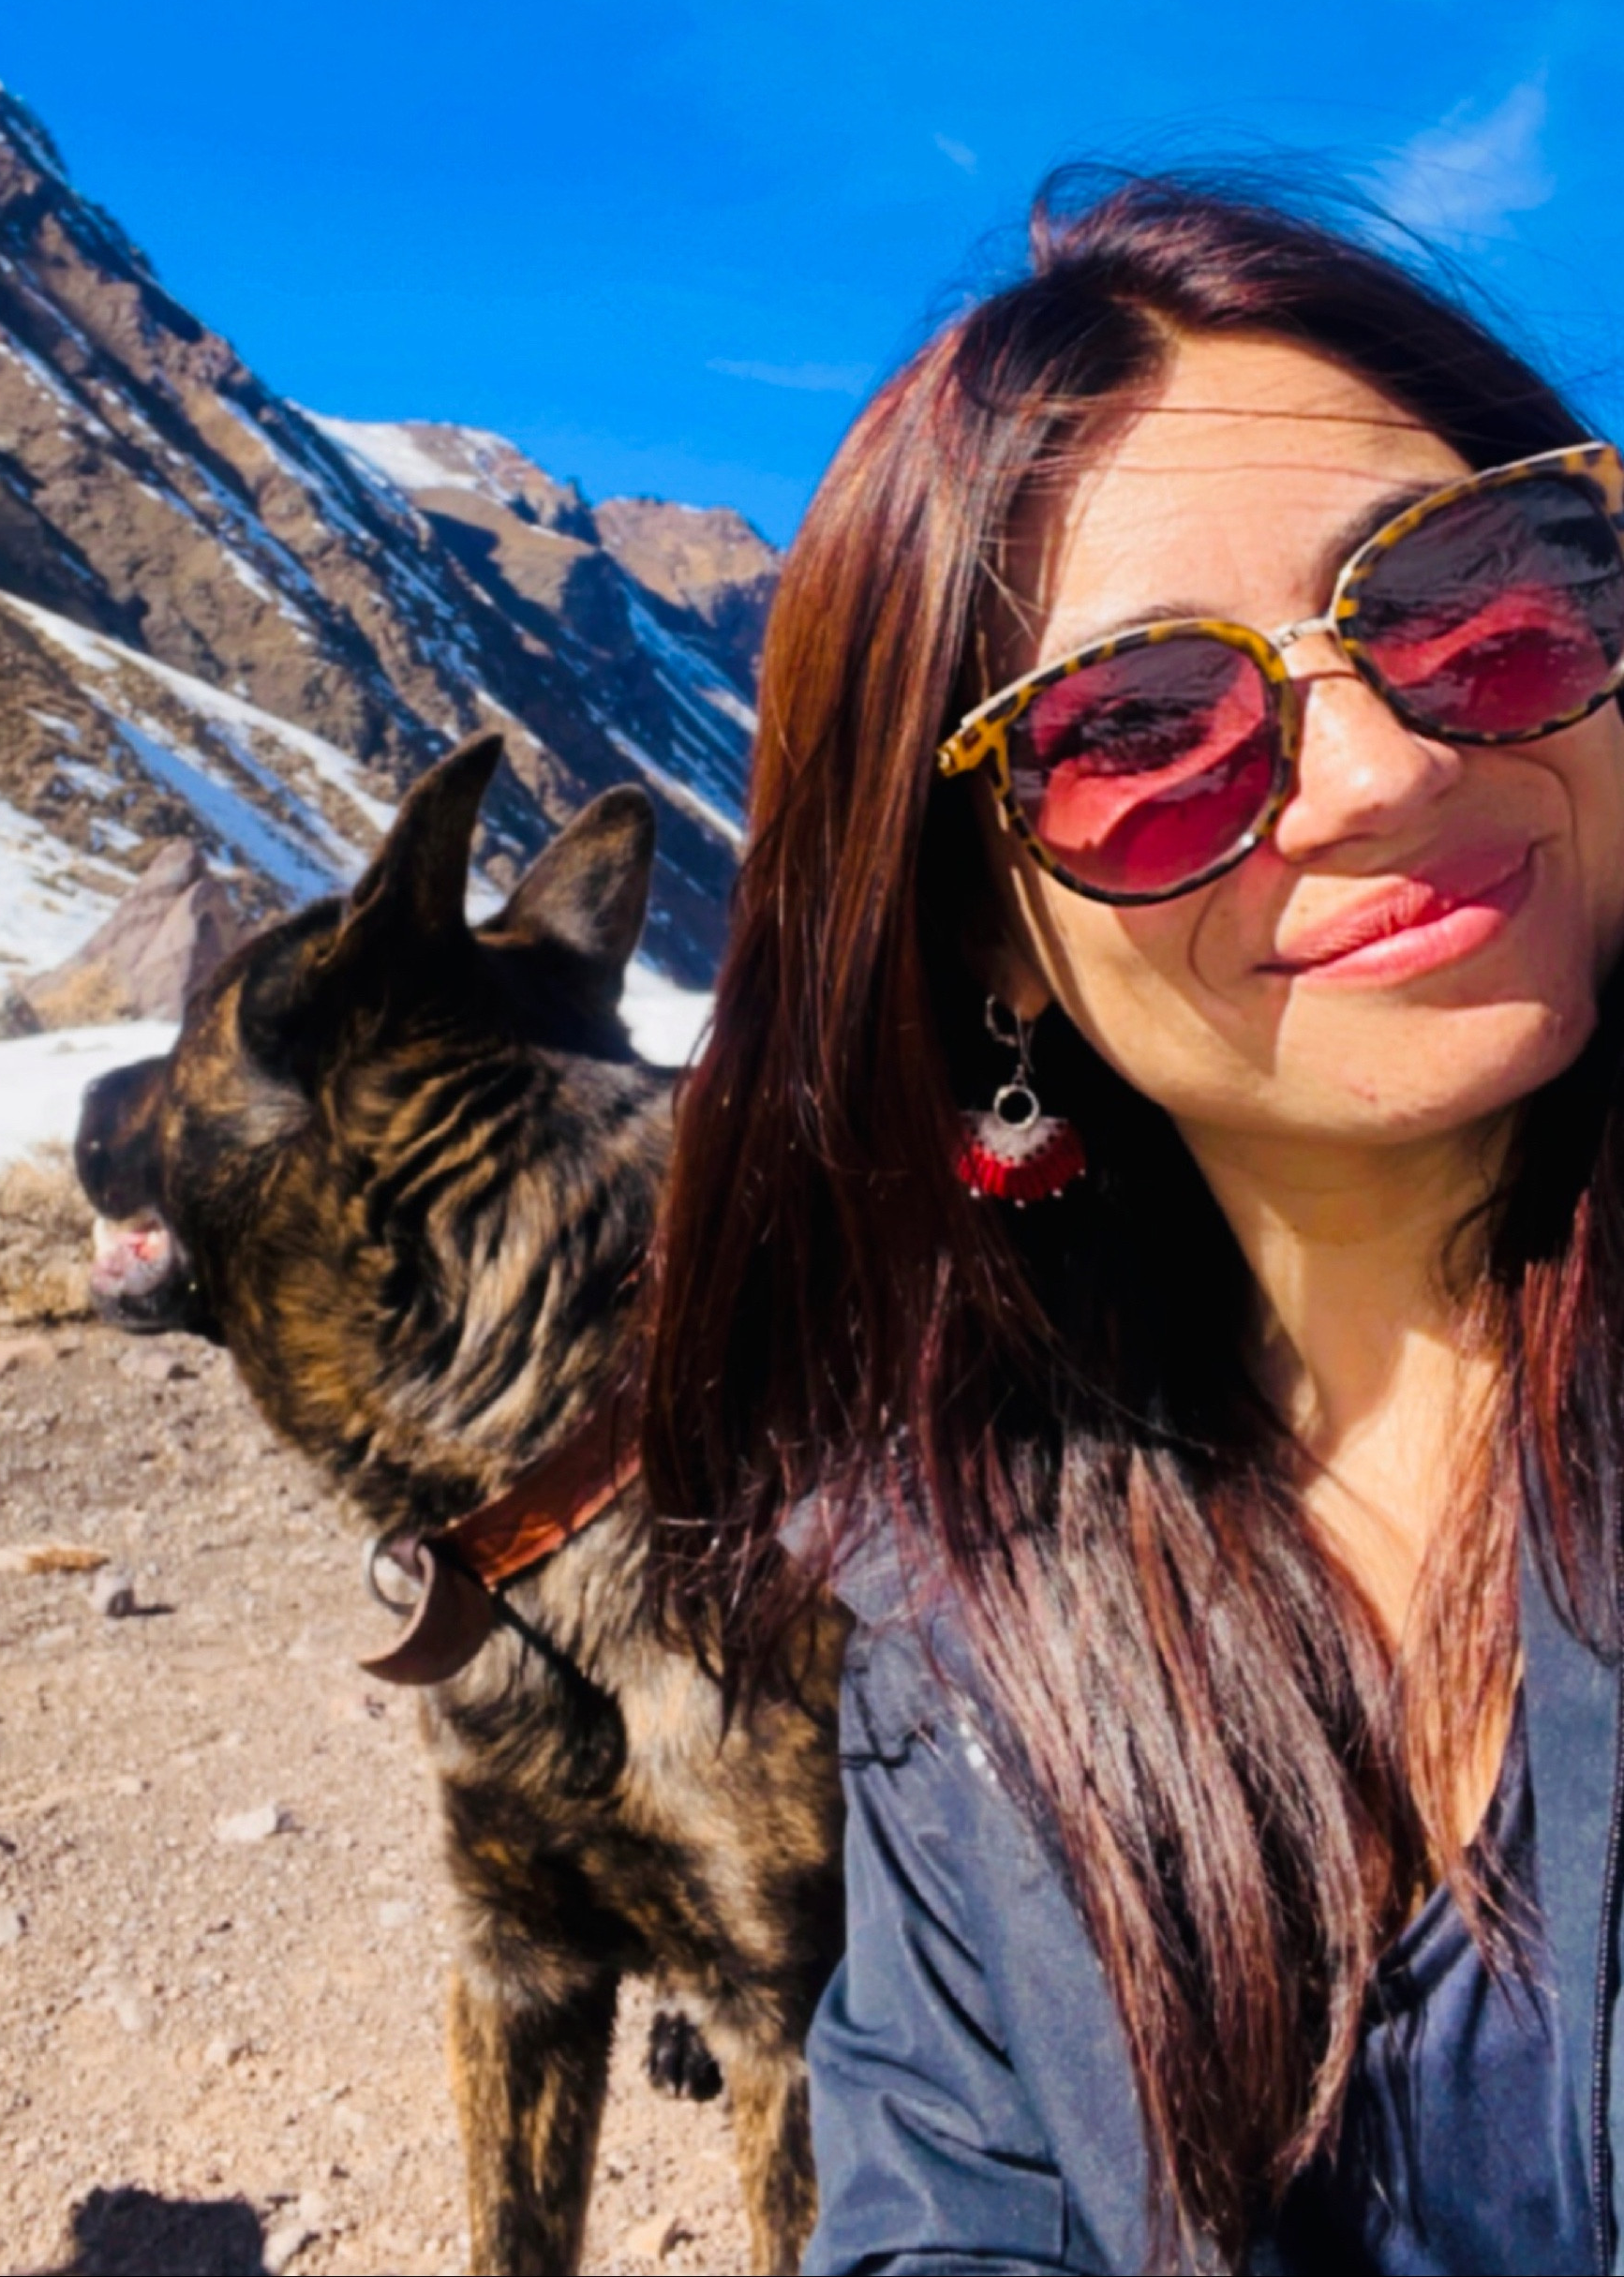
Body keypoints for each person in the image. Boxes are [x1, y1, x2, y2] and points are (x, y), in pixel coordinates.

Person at [641, 175, 1624, 2274]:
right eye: (1142, 736)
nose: (1375, 770)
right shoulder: (972, 1601)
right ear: (988, 938)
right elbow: (945, 2209)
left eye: (1475, 595)